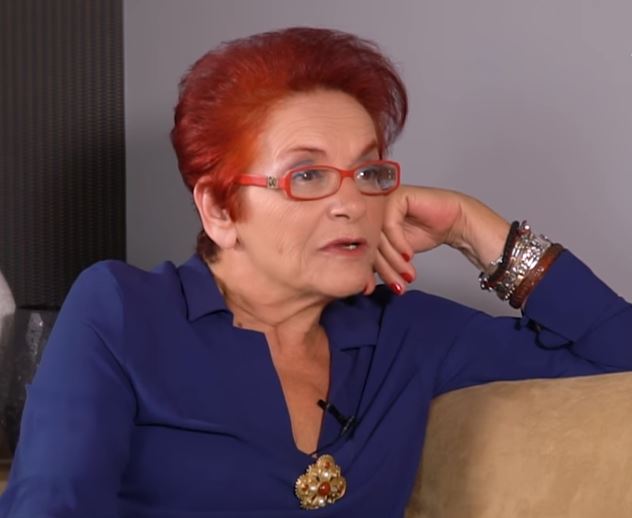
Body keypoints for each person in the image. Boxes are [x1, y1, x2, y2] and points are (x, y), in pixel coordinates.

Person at [1, 27, 630, 518]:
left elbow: (617, 352)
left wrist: (471, 226)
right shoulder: (122, 310)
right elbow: (53, 506)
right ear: (220, 209)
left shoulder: (408, 334)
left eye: (368, 172)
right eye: (307, 174)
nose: (351, 202)